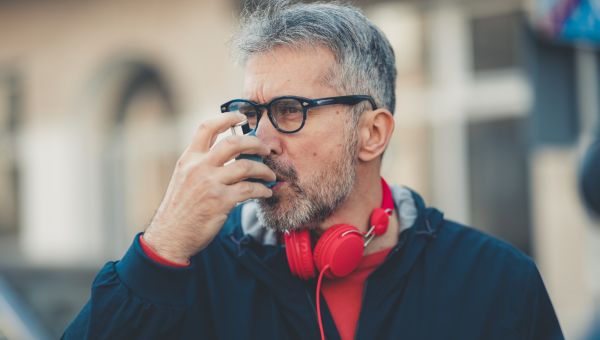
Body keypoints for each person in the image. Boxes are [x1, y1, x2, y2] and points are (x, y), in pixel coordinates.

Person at [63, 1, 564, 339]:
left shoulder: (496, 284)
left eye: (289, 111)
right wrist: (163, 245)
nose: (259, 141)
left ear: (372, 133)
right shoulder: (194, 275)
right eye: (253, 115)